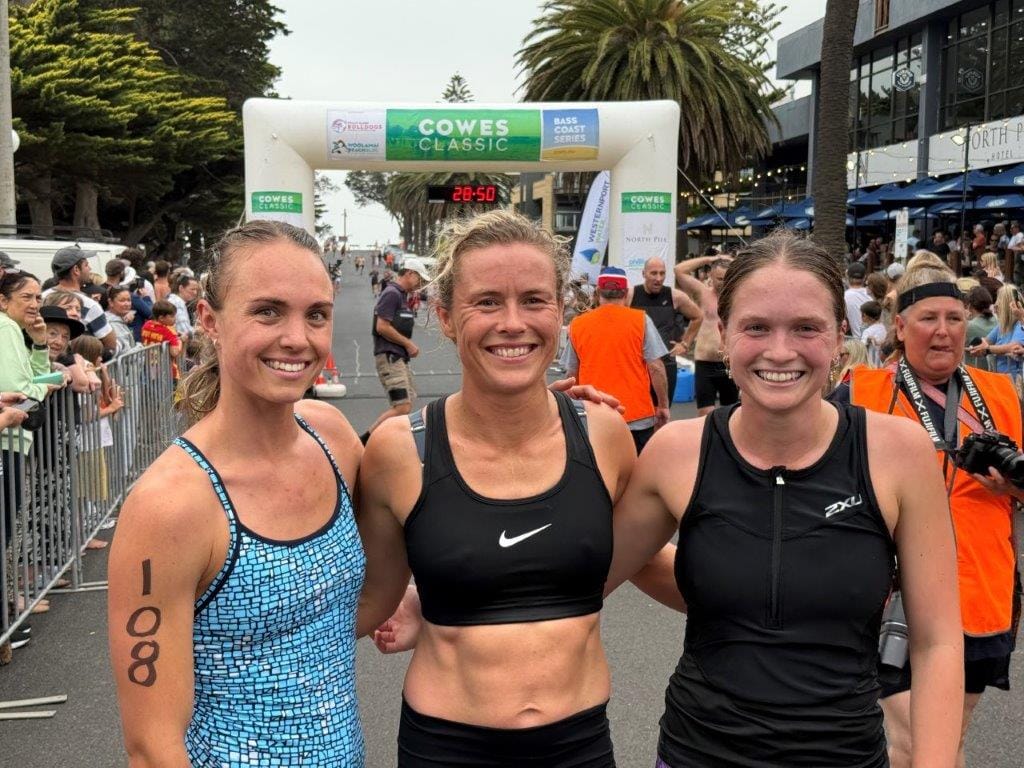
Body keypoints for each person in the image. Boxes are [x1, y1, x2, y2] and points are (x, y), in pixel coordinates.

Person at [606, 231, 963, 767]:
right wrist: (555, 434)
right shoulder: (678, 452)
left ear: (839, 335)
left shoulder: (899, 452)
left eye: (805, 328)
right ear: (723, 334)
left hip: (845, 755)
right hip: (697, 752)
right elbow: (584, 573)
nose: (780, 350)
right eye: (756, 327)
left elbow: (937, 643)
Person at [363, 209, 634, 766]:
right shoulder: (396, 451)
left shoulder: (605, 434)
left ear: (561, 312)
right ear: (444, 316)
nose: (513, 322)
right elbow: (366, 598)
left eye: (534, 300)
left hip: (579, 745)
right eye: (486, 302)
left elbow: (638, 554)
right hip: (446, 745)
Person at [108, 220, 382, 766]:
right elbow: (152, 746)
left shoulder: (331, 435)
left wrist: (548, 415)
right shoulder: (172, 504)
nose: (297, 339)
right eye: (268, 311)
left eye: (316, 315)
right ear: (210, 320)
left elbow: (355, 592)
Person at [839, 262, 1021, 767]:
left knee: (945, 743)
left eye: (955, 318)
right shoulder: (860, 393)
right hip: (890, 597)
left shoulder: (1003, 395)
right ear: (899, 326)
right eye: (927, 318)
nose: (943, 331)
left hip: (981, 593)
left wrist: (1014, 485)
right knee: (918, 744)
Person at [563, 265, 670, 453]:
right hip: (637, 415)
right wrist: (662, 405)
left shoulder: (578, 325)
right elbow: (656, 367)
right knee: (637, 475)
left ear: (597, 292)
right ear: (626, 292)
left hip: (596, 415)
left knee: (600, 474)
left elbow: (571, 375)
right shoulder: (641, 320)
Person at [363, 257, 431, 440]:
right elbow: (382, 326)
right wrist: (408, 344)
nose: (420, 284)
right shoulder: (392, 293)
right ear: (409, 273)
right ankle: (365, 441)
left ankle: (393, 440)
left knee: (406, 403)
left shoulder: (401, 295)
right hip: (390, 356)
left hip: (397, 357)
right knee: (401, 406)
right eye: (419, 278)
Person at [628, 256, 702, 405]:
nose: (658, 278)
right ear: (644, 274)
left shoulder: (676, 297)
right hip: (637, 365)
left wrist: (685, 344)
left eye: (662, 273)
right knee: (635, 412)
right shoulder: (630, 295)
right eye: (653, 273)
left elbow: (698, 317)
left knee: (662, 413)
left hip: (666, 363)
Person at [673, 254, 738, 415]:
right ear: (710, 275)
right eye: (719, 278)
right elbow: (679, 270)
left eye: (726, 278)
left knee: (731, 412)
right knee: (705, 413)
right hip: (705, 362)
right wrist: (710, 259)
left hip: (729, 363)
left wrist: (733, 261)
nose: (722, 282)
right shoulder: (703, 293)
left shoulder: (737, 296)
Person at [45, 246, 117, 353]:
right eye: (86, 265)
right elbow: (110, 344)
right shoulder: (89, 305)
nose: (90, 269)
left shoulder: (42, 297)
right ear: (76, 270)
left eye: (77, 310)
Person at [967, 283, 1024, 387]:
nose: (995, 306)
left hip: (1014, 384)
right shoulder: (1001, 326)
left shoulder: (1020, 325)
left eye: (998, 302)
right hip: (1000, 381)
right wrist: (978, 346)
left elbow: (1014, 347)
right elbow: (986, 340)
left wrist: (988, 349)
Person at [140, 300, 183, 383]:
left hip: (149, 367)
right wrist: (180, 341)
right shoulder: (169, 331)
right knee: (170, 394)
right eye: (172, 316)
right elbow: (174, 352)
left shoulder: (146, 325)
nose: (175, 319)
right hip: (166, 371)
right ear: (161, 318)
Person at [963, 286, 996, 369]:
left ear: (969, 306)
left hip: (974, 373)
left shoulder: (969, 326)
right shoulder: (998, 321)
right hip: (994, 371)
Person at [105, 285, 138, 356]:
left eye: (129, 300)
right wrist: (139, 347)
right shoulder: (113, 324)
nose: (127, 304)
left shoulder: (121, 319)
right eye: (122, 300)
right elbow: (126, 354)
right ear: (111, 302)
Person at [167, 274, 198, 343]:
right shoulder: (177, 303)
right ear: (181, 288)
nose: (195, 293)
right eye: (192, 289)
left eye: (196, 290)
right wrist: (199, 330)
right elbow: (184, 330)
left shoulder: (176, 300)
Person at [844, 261, 871, 338]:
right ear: (865, 277)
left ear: (847, 276)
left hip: (857, 342)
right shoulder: (872, 294)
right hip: (876, 341)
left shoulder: (845, 297)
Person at [860, 300, 886, 367]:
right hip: (882, 363)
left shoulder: (868, 331)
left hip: (871, 364)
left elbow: (861, 347)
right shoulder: (883, 328)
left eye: (862, 314)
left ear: (865, 315)